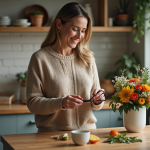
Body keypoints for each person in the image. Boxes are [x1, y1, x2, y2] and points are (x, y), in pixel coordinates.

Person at [26, 2, 105, 132]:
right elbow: (32, 103)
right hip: (52, 136)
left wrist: (98, 100)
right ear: (59, 24)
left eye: (83, 30)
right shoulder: (40, 59)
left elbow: (96, 104)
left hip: (87, 134)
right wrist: (61, 103)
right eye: (75, 29)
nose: (80, 36)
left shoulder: (88, 58)